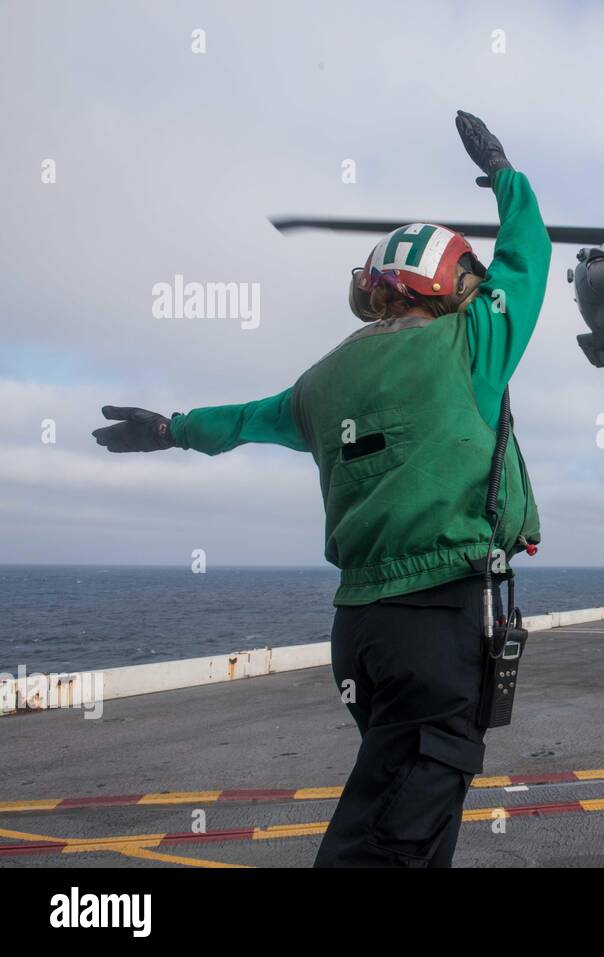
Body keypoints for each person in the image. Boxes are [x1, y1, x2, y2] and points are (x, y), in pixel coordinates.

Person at [92, 111, 550, 867]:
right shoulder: (470, 344)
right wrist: (503, 170)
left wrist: (169, 427)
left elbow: (243, 419)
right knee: (386, 840)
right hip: (433, 628)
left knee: (419, 817)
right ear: (450, 285)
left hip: (361, 638)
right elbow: (527, 253)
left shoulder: (321, 382)